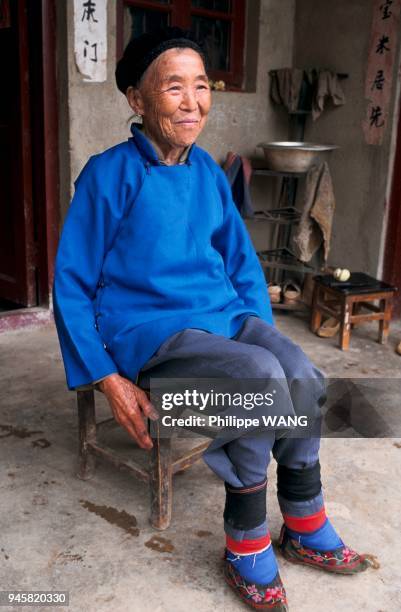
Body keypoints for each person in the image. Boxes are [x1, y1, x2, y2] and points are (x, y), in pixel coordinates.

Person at [53, 27, 372, 611]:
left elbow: (241, 263)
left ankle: (303, 521)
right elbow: (70, 284)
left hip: (219, 317)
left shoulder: (205, 173)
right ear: (137, 100)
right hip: (148, 330)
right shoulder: (107, 175)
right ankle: (245, 539)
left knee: (300, 372)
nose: (192, 101)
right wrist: (108, 378)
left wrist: (264, 331)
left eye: (201, 86)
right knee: (257, 381)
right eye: (173, 87)